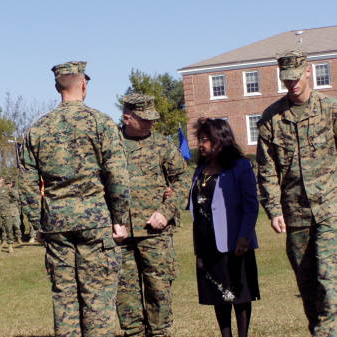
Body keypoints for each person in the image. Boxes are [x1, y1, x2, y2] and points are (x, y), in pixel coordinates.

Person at [19, 61, 130, 337]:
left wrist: (37, 223)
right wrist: (119, 219)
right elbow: (117, 177)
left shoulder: (38, 129)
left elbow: (27, 183)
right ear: (83, 85)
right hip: (95, 222)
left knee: (65, 300)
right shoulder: (101, 123)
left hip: (56, 223)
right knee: (98, 300)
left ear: (58, 87)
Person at [256, 49, 336, 337]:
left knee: (330, 280)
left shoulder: (330, 110)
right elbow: (266, 171)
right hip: (296, 215)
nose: (293, 85)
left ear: (308, 71)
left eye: (296, 78)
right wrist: (274, 210)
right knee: (309, 287)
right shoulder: (271, 119)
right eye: (286, 80)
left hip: (331, 211)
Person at [116, 93, 189, 337]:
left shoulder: (162, 144)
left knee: (159, 290)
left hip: (154, 232)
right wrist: (110, 222)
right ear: (127, 117)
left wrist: (166, 212)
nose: (151, 124)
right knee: (126, 295)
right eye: (144, 119)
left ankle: (160, 333)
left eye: (152, 118)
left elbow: (182, 179)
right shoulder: (110, 144)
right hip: (120, 236)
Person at [188, 118, 260, 337]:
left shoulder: (240, 166)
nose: (201, 144)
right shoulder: (201, 169)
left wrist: (244, 237)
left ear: (221, 139)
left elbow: (251, 204)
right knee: (217, 294)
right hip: (207, 242)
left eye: (206, 139)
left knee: (239, 295)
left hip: (235, 241)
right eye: (200, 139)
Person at [0, 176, 15, 253]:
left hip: (6, 212)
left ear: (3, 180)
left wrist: (7, 204)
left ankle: (10, 246)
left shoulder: (7, 188)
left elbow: (14, 197)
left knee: (9, 228)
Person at [6, 180, 23, 244]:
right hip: (6, 211)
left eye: (9, 184)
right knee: (8, 227)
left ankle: (18, 238)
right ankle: (10, 239)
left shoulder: (14, 190)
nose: (8, 185)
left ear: (11, 184)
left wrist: (10, 190)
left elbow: (17, 197)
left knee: (17, 225)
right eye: (6, 184)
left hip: (14, 211)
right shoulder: (3, 191)